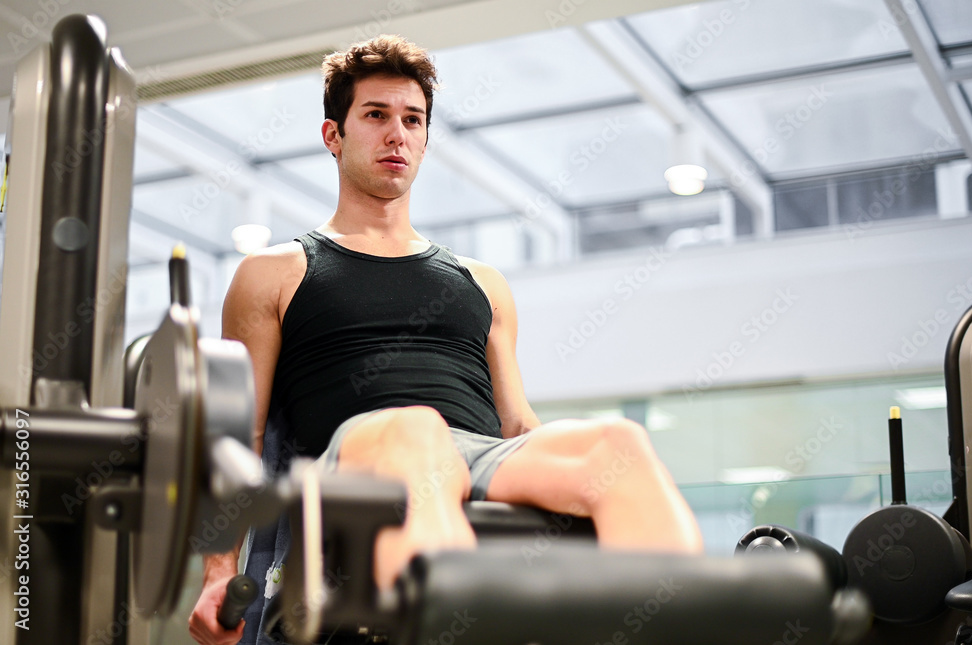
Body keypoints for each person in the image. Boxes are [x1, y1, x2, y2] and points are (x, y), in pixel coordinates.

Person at [188, 34, 703, 645]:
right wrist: (217, 572)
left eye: (412, 120)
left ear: (426, 138)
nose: (397, 135)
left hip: (473, 457)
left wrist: (558, 476)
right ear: (334, 135)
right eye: (375, 116)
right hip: (355, 460)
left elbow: (515, 422)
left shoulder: (481, 283)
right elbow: (238, 438)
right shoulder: (275, 272)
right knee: (416, 427)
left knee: (617, 443)